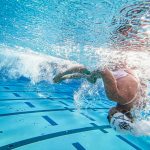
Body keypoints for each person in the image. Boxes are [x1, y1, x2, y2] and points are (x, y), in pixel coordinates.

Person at [53, 64, 146, 134]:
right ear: (114, 113)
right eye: (109, 117)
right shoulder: (114, 96)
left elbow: (143, 84)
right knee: (89, 74)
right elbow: (103, 70)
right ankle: (62, 74)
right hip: (117, 65)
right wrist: (91, 77)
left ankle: (64, 77)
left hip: (129, 68)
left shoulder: (139, 104)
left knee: (92, 76)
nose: (108, 115)